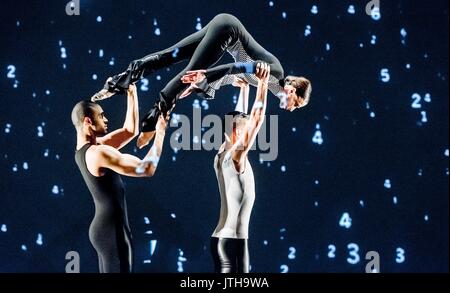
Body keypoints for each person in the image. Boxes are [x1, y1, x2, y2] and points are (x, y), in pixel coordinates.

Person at [91, 13, 311, 149]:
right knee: (187, 73)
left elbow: (230, 77)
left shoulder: (268, 84)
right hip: (228, 32)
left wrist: (201, 86)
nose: (292, 109)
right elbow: (236, 67)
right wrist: (204, 76)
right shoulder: (274, 73)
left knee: (171, 56)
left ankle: (117, 82)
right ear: (292, 91)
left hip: (224, 25)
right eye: (297, 104)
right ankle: (150, 123)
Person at [72, 84, 170, 273]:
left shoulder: (85, 149)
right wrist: (160, 133)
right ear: (88, 121)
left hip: (104, 229)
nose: (106, 119)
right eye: (101, 116)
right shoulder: (98, 153)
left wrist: (131, 92)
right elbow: (146, 168)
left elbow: (129, 131)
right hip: (112, 231)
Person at [210, 62, 270, 273]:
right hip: (229, 243)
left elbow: (237, 118)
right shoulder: (235, 157)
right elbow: (255, 120)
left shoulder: (222, 152)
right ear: (236, 132)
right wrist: (263, 85)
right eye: (243, 124)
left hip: (235, 240)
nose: (248, 127)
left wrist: (244, 89)